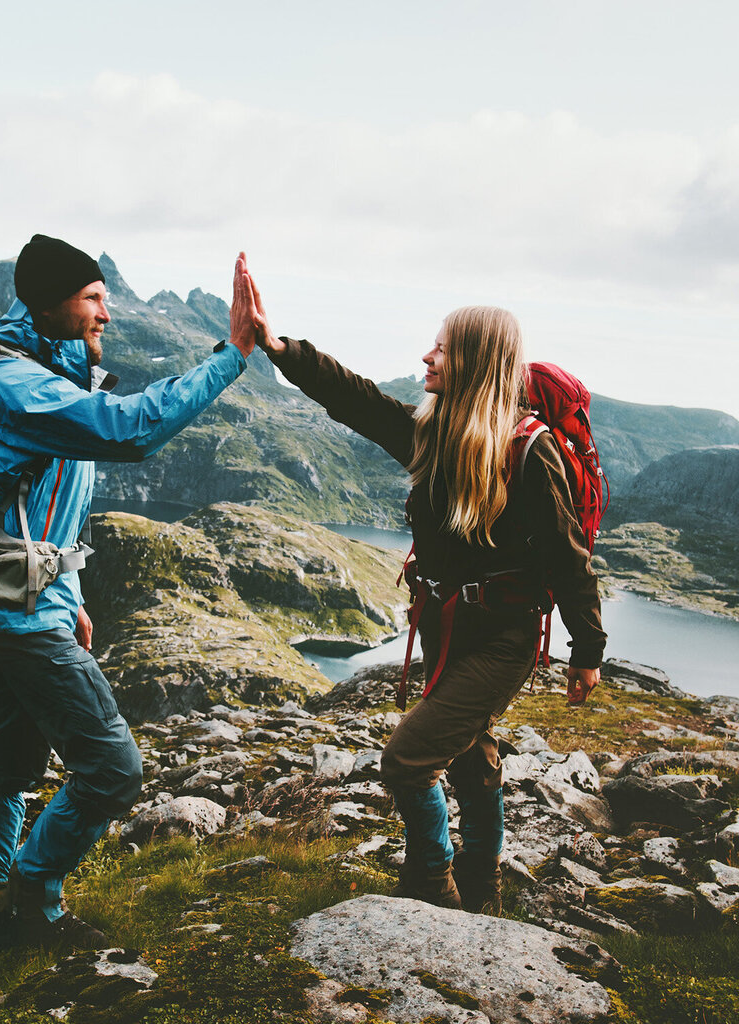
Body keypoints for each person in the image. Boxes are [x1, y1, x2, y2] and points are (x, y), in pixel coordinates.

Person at [233, 254, 604, 913]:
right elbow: (355, 399)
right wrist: (277, 346)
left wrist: (588, 652)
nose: (427, 357)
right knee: (469, 758)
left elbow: (567, 557)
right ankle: (484, 890)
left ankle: (431, 880)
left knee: (407, 760)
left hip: (501, 639)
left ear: (473, 362)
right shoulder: (434, 436)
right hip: (444, 624)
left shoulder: (530, 450)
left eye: (441, 348)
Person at [0, 237, 256, 951]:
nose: (106, 313)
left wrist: (74, 591)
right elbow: (132, 430)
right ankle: (33, 898)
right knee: (114, 771)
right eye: (92, 298)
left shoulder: (53, 374)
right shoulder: (17, 384)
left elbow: (52, 504)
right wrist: (232, 354)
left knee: (9, 767)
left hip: (27, 602)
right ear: (47, 303)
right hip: (21, 615)